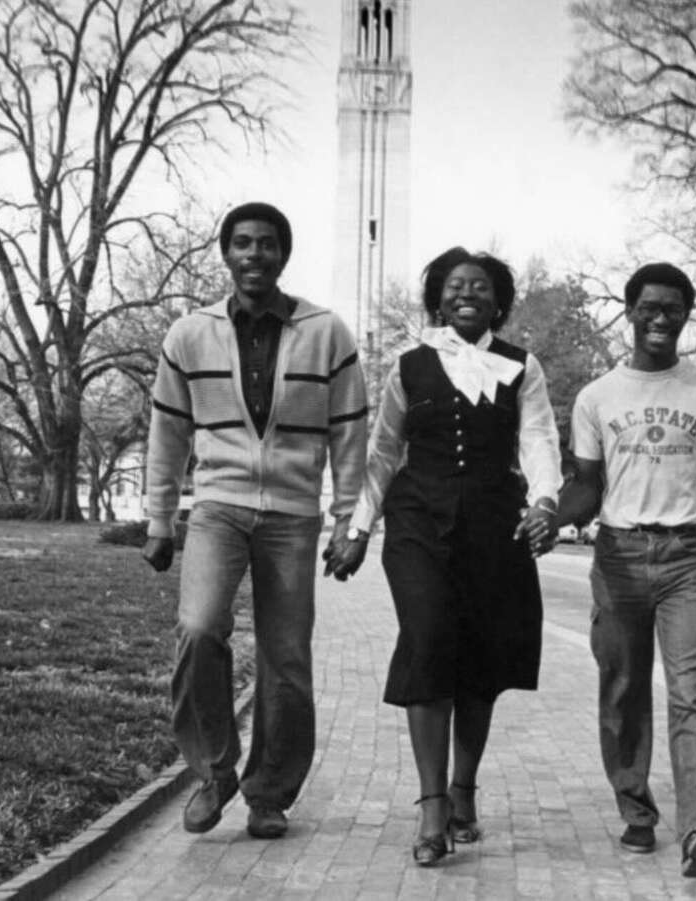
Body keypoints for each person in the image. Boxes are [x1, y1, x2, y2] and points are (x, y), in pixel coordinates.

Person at [326, 247, 562, 866]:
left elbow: (538, 438)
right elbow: (382, 454)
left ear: (498, 301)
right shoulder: (409, 366)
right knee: (428, 640)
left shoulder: (522, 366)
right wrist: (356, 529)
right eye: (456, 286)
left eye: (480, 287)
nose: (467, 295)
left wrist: (543, 502)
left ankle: (464, 788)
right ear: (438, 296)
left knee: (481, 662)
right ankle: (433, 806)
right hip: (417, 527)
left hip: (494, 527)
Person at [142, 201, 368, 840]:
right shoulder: (189, 334)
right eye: (242, 243)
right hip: (218, 505)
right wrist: (160, 518)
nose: (254, 255)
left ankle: (269, 792)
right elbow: (167, 433)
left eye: (267, 244)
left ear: (283, 254)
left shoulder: (328, 333)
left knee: (287, 658)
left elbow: (351, 435)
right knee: (198, 627)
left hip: (294, 515)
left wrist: (351, 522)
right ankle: (214, 770)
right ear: (226, 253)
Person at [554, 262, 696, 877]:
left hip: (686, 558)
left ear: (685, 316)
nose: (659, 317)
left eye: (672, 308)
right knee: (623, 691)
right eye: (648, 307)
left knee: (690, 692)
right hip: (619, 555)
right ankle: (637, 811)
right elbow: (587, 486)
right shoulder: (597, 396)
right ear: (629, 312)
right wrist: (551, 518)